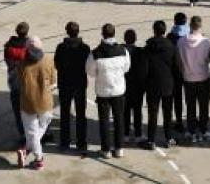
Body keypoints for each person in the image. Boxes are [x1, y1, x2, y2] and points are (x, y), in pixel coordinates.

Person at [87, 23, 131, 158]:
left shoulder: (95, 53)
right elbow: (126, 68)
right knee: (119, 119)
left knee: (104, 120)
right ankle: (119, 148)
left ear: (102, 34)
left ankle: (105, 150)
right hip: (118, 90)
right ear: (114, 34)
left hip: (103, 91)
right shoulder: (123, 51)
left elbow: (91, 72)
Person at [17, 35, 56, 169]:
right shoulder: (48, 60)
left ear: (27, 47)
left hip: (27, 101)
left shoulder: (21, 62)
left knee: (32, 131)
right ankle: (38, 158)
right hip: (45, 100)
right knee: (44, 123)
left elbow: (20, 81)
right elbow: (52, 81)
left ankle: (28, 150)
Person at [54, 21, 91, 152]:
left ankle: (65, 142)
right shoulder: (85, 48)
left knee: (65, 113)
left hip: (65, 84)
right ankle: (81, 142)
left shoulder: (61, 47)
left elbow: (57, 65)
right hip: (80, 84)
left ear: (67, 32)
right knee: (81, 114)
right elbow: (88, 66)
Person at [143, 20, 179, 149]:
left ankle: (151, 140)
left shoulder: (148, 47)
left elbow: (144, 68)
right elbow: (176, 67)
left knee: (152, 113)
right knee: (168, 112)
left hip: (152, 84)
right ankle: (168, 138)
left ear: (154, 31)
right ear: (164, 31)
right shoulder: (171, 46)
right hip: (167, 84)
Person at [178, 15, 210, 142]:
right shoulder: (205, 41)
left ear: (190, 26)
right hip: (203, 77)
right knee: (204, 106)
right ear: (200, 26)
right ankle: (203, 130)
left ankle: (191, 130)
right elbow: (208, 59)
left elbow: (179, 59)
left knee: (190, 105)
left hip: (188, 77)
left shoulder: (181, 41)